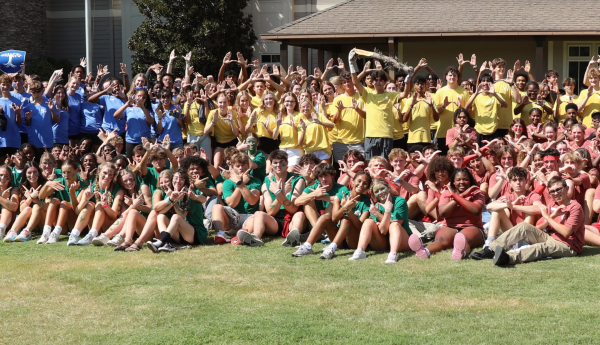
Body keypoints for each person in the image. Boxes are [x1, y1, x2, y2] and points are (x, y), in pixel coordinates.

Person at [473, 176, 584, 266]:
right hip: (551, 237)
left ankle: (508, 258)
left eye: (558, 189)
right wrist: (553, 215)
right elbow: (539, 227)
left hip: (568, 245)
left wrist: (549, 217)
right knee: (524, 226)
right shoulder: (552, 205)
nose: (555, 193)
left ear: (566, 188)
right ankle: (490, 249)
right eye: (552, 191)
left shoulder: (575, 207)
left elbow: (566, 232)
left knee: (540, 247)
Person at [409, 168, 485, 259]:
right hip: (451, 227)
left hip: (472, 226)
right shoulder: (446, 193)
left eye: (465, 179)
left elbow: (477, 211)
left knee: (464, 238)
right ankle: (424, 252)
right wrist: (460, 196)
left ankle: (460, 252)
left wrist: (456, 197)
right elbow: (443, 213)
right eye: (458, 180)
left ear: (470, 181)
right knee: (440, 239)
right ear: (453, 182)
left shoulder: (477, 192)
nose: (462, 182)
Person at [237, 150, 305, 247]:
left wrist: (278, 193)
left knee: (300, 214)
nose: (278, 165)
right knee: (259, 213)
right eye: (275, 163)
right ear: (271, 165)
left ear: (287, 163)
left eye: (282, 162)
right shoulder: (267, 183)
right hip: (274, 221)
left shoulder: (298, 180)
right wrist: (281, 193)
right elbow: (270, 212)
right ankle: (255, 238)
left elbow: (293, 209)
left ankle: (292, 239)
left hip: (292, 219)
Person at [290, 163, 349, 254]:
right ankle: (320, 233)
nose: (323, 179)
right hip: (316, 222)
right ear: (317, 178)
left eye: (326, 176)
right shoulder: (313, 188)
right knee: (307, 201)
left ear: (332, 176)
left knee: (333, 202)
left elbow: (338, 200)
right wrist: (314, 194)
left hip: (333, 226)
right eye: (321, 176)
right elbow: (297, 201)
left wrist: (322, 197)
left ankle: (318, 235)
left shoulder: (341, 188)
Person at [348, 178, 410, 263]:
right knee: (368, 221)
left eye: (382, 189)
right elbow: (383, 231)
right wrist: (378, 214)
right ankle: (360, 251)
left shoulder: (399, 201)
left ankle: (393, 254)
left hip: (402, 241)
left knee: (394, 225)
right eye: (376, 191)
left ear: (388, 188)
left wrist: (385, 212)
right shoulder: (375, 206)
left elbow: (397, 224)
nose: (380, 192)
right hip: (384, 242)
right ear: (373, 195)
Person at [146, 169, 208, 253]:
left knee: (176, 217)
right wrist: (172, 199)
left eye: (181, 179)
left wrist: (174, 201)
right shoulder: (172, 193)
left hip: (196, 235)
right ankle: (166, 243)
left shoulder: (188, 193)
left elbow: (182, 216)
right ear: (172, 180)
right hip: (181, 234)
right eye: (175, 178)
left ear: (185, 181)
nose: (178, 181)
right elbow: (160, 212)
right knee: (160, 217)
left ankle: (162, 242)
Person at [37, 159, 94, 244]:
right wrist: (47, 184)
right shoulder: (60, 182)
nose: (66, 175)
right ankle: (46, 233)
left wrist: (72, 192)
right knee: (55, 200)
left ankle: (56, 233)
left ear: (76, 170)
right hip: (62, 225)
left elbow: (76, 210)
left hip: (74, 223)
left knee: (64, 203)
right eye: (64, 172)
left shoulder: (83, 187)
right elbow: (41, 196)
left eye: (69, 172)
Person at [483, 167, 542, 248]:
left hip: (527, 234)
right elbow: (489, 206)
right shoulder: (508, 196)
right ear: (510, 183)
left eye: (521, 179)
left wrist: (514, 206)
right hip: (512, 232)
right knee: (497, 210)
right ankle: (489, 243)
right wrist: (508, 205)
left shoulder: (533, 195)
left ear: (526, 181)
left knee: (531, 213)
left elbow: (539, 209)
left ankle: (521, 243)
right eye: (514, 180)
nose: (518, 183)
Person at [215, 153, 262, 243]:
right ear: (232, 168)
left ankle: (241, 236)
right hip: (232, 217)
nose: (241, 168)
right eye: (238, 166)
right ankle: (221, 234)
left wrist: (241, 184)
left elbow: (252, 201)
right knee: (216, 207)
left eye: (243, 165)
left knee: (255, 219)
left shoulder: (255, 181)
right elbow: (232, 203)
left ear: (248, 166)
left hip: (249, 217)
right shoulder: (228, 182)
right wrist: (240, 183)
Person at [3, 162, 45, 242]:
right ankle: (12, 232)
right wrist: (30, 197)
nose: (32, 175)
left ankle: (27, 232)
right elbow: (22, 209)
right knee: (27, 209)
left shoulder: (44, 185)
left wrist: (35, 199)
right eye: (29, 172)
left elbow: (48, 207)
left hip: (43, 221)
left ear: (39, 173)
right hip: (31, 223)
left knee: (36, 206)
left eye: (35, 172)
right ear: (25, 174)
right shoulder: (23, 187)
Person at [434, 67, 470, 155]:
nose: (452, 77)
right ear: (445, 77)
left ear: (458, 78)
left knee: (459, 158)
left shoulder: (464, 92)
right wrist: (443, 106)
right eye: (450, 75)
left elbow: (469, 113)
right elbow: (435, 112)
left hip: (460, 133)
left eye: (454, 75)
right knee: (443, 159)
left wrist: (461, 107)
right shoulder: (440, 92)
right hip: (443, 131)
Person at [331, 73, 366, 162]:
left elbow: (366, 116)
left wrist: (357, 109)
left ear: (353, 82)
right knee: (342, 170)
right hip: (341, 142)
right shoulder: (337, 99)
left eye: (349, 81)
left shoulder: (362, 97)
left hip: (359, 141)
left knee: (360, 168)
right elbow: (334, 121)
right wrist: (339, 110)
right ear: (342, 85)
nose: (347, 84)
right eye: (345, 82)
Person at [465, 75, 508, 141]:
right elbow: (466, 108)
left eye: (488, 81)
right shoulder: (476, 95)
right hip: (479, 129)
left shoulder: (496, 95)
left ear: (492, 83)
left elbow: (505, 105)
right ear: (480, 83)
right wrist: (476, 93)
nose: (485, 83)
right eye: (483, 81)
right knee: (478, 150)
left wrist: (494, 94)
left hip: (493, 129)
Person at [114, 88, 154, 158]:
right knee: (131, 161)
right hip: (131, 141)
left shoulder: (148, 110)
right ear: (134, 96)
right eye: (139, 96)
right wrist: (127, 104)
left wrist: (143, 108)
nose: (141, 98)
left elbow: (151, 121)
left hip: (145, 141)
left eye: (144, 97)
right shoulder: (128, 109)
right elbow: (116, 115)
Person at [403, 76, 438, 150]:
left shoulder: (430, 100)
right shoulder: (409, 100)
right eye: (417, 84)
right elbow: (404, 119)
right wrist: (411, 105)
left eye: (422, 84)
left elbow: (436, 119)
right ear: (414, 86)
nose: (420, 86)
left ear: (425, 86)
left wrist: (431, 105)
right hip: (412, 138)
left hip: (426, 138)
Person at [297, 98, 335, 163]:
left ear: (311, 107)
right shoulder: (301, 123)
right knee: (313, 173)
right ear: (300, 108)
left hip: (323, 150)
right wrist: (303, 130)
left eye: (307, 106)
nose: (305, 108)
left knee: (323, 172)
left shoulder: (319, 116)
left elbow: (332, 125)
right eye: (303, 107)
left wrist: (319, 122)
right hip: (310, 152)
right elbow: (300, 143)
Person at [272, 92, 303, 168]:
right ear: (283, 103)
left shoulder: (300, 115)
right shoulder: (280, 116)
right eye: (287, 101)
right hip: (283, 149)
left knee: (290, 171)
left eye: (292, 101)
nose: (290, 103)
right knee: (281, 172)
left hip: (295, 149)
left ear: (296, 103)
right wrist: (277, 124)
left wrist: (294, 126)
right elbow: (274, 137)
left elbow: (303, 133)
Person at [0, 74, 24, 156]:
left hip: (14, 140)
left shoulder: (17, 101)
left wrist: (18, 113)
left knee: (14, 166)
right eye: (3, 84)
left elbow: (19, 123)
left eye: (7, 85)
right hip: (1, 141)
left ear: (11, 85)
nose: (5, 87)